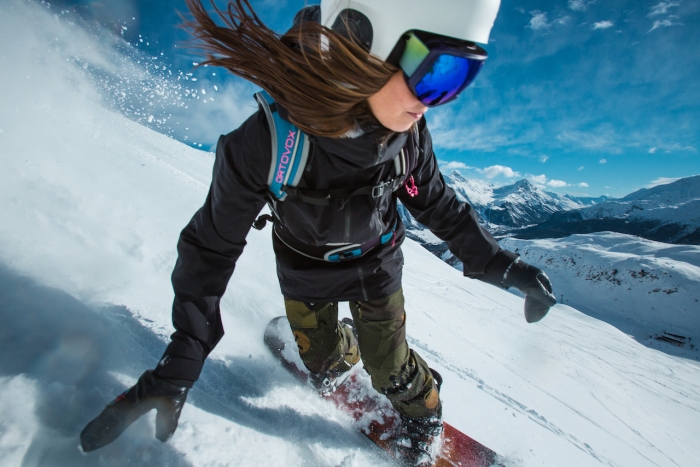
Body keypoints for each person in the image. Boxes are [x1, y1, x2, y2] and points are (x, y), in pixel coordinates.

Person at [80, 0, 557, 465]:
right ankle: (341, 346)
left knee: (389, 369)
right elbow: (211, 247)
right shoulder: (268, 143)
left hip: (376, 263)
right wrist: (185, 355)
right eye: (435, 71)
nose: (436, 100)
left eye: (459, 78)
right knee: (322, 365)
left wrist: (503, 265)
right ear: (365, 45)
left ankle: (422, 416)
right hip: (303, 266)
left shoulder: (409, 138)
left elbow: (440, 207)